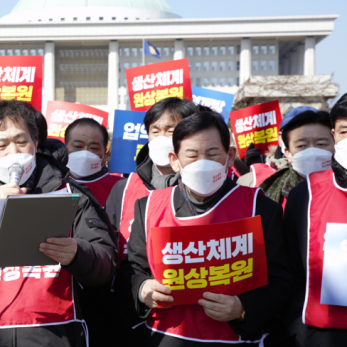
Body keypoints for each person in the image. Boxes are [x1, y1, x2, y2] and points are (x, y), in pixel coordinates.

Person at [0, 100, 117, 347]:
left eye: (21, 141)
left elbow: (106, 263)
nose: (13, 152)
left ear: (35, 143)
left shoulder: (71, 194)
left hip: (57, 333)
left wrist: (77, 254)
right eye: (1, 145)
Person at [115, 111, 290, 346]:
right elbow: (130, 271)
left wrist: (243, 307)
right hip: (167, 336)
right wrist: (142, 289)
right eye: (192, 155)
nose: (202, 163)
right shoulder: (148, 207)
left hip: (235, 338)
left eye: (212, 154)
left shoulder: (260, 207)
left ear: (229, 156)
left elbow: (282, 281)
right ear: (175, 160)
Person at [105, 98, 198, 344]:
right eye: (154, 131)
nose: (161, 137)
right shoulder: (123, 189)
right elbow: (109, 252)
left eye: (171, 130)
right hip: (130, 317)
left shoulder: (206, 190)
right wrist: (138, 288)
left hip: (194, 319)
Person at [281, 96, 347, 346]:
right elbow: (289, 270)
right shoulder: (305, 193)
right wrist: (297, 327)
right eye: (345, 131)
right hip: (322, 333)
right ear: (335, 136)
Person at [241, 110, 334, 210]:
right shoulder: (267, 195)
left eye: (321, 144)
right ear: (287, 153)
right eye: (301, 146)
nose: (312, 152)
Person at [237, 106, 319, 188]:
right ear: (281, 138)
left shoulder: (331, 175)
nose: (309, 147)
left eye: (319, 141)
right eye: (297, 135)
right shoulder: (252, 180)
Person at [65, 118, 122, 207]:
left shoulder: (121, 188)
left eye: (94, 148)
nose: (85, 154)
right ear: (64, 148)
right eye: (78, 146)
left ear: (104, 153)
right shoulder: (51, 186)